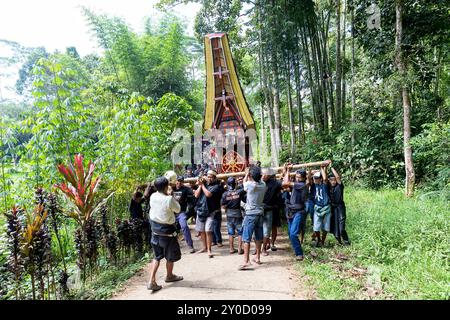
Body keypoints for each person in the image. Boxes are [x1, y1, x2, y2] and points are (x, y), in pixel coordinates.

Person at [147, 177, 183, 292]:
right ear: (166, 186)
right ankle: (169, 276)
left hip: (155, 230)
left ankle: (151, 280)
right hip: (167, 232)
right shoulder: (168, 199)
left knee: (157, 256)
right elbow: (178, 209)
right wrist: (171, 196)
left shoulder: (153, 196)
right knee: (170, 255)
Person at [239, 166, 267, 270]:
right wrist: (250, 174)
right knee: (258, 237)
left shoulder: (249, 185)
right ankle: (258, 257)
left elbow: (244, 181)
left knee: (246, 238)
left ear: (251, 176)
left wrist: (246, 174)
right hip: (260, 213)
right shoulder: (263, 184)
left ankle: (246, 261)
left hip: (250, 214)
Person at [282, 165, 310, 261]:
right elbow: (285, 185)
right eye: (296, 177)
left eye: (299, 177)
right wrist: (287, 171)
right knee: (290, 234)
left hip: (299, 212)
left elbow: (286, 182)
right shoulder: (296, 184)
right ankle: (296, 250)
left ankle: (299, 253)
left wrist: (288, 170)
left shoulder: (302, 185)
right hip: (291, 211)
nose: (297, 178)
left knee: (293, 234)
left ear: (303, 178)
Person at [194, 170, 223, 258]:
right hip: (201, 210)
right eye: (208, 176)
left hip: (211, 212)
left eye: (211, 177)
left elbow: (208, 194)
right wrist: (200, 185)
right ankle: (204, 247)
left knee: (208, 231)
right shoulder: (204, 185)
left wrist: (202, 185)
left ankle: (209, 250)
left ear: (214, 178)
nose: (209, 178)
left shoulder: (217, 186)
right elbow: (196, 195)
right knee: (201, 231)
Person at [221, 177, 246, 254]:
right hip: (238, 214)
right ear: (235, 184)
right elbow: (245, 187)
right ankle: (239, 249)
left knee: (231, 232)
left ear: (228, 184)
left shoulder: (225, 194)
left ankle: (231, 249)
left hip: (229, 214)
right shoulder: (239, 192)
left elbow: (223, 206)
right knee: (240, 232)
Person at [261, 167, 282, 255]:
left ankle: (272, 243)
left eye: (264, 174)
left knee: (273, 226)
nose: (263, 176)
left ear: (269, 175)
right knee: (262, 228)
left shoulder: (275, 183)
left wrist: (286, 171)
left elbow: (284, 183)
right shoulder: (259, 182)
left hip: (273, 208)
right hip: (261, 209)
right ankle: (264, 245)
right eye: (262, 174)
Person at [173, 176, 196, 253]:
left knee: (184, 226)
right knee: (170, 229)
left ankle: (190, 246)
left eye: (181, 181)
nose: (179, 183)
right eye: (177, 181)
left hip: (181, 212)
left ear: (183, 182)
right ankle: (172, 248)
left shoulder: (186, 189)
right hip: (170, 213)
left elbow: (193, 194)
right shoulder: (170, 188)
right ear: (175, 181)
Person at [328, 167, 351, 245]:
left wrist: (331, 167)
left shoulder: (339, 186)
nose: (333, 181)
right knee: (334, 226)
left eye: (334, 180)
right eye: (331, 180)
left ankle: (346, 240)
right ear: (329, 181)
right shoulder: (328, 187)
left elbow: (337, 177)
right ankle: (339, 241)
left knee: (341, 226)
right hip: (332, 208)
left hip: (340, 207)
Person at [312, 161, 332, 247]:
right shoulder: (313, 185)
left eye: (317, 178)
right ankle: (319, 239)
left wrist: (323, 168)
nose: (315, 180)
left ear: (320, 179)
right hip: (317, 208)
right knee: (316, 227)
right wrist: (310, 171)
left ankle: (323, 241)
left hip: (326, 208)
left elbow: (325, 179)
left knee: (326, 227)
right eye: (314, 178)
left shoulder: (324, 185)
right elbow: (309, 179)